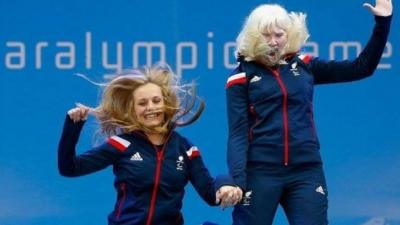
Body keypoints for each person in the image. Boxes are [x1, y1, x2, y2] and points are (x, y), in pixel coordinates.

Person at [225, 1, 392, 225]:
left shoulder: (304, 65)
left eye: (279, 34)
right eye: (266, 35)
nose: (274, 41)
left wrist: (383, 22)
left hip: (305, 172)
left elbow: (362, 67)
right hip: (260, 173)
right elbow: (237, 135)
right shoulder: (239, 78)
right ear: (254, 36)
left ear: (289, 34)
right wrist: (238, 180)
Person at [58, 65, 242, 225]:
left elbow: (211, 194)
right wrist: (72, 128)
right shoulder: (121, 144)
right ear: (133, 110)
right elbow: (69, 168)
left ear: (166, 103)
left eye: (156, 100)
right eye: (142, 103)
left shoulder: (186, 149)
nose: (151, 108)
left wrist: (225, 184)